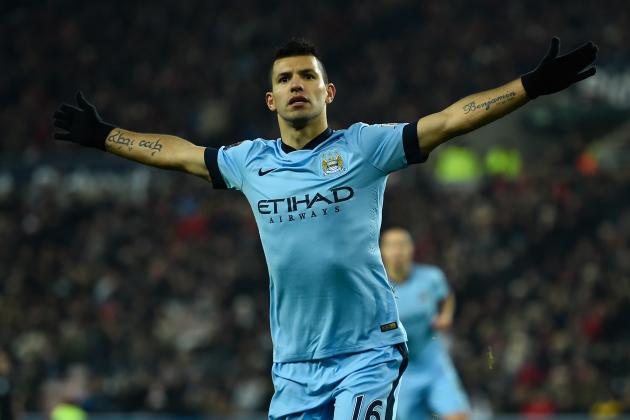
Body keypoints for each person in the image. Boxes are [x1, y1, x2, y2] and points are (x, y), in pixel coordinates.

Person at [52, 37, 597, 419]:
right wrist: (105, 137)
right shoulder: (250, 162)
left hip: (367, 351)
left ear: (327, 92)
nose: (297, 84)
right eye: (285, 78)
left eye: (308, 76)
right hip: (293, 365)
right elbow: (178, 153)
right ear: (271, 99)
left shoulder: (365, 147)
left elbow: (450, 120)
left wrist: (527, 87)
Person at [381, 228, 469, 420]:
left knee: (458, 417)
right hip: (401, 371)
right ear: (382, 251)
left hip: (434, 363)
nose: (397, 251)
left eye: (402, 245)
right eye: (392, 245)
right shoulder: (377, 289)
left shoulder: (431, 277)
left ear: (411, 249)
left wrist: (446, 316)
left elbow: (447, 297)